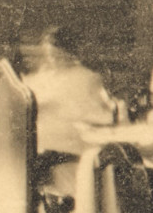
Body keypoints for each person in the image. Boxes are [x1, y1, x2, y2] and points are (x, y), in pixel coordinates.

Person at [22, 26, 117, 157]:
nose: (53, 60)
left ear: (69, 53)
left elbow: (105, 117)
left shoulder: (86, 77)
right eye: (49, 56)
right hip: (40, 147)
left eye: (57, 56)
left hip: (71, 149)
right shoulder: (39, 78)